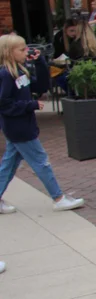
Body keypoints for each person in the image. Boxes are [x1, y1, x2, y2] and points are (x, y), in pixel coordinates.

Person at [0, 33, 85, 214]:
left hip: (22, 125)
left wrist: (40, 63)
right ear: (9, 52)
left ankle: (58, 197)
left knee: (9, 164)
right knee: (41, 161)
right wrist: (30, 105)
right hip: (18, 127)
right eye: (21, 49)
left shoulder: (20, 71)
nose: (26, 52)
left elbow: (40, 87)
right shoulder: (6, 75)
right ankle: (58, 197)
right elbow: (4, 104)